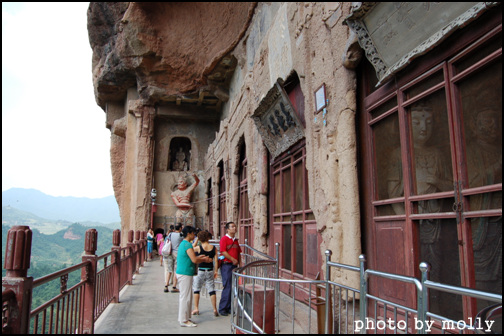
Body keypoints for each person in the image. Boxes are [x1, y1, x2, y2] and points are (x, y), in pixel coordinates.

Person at [176, 226, 212, 328]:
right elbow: (194, 260)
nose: (194, 235)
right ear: (189, 234)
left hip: (185, 272)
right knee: (185, 297)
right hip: (185, 272)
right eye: (193, 233)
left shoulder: (185, 244)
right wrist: (204, 260)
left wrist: (201, 257)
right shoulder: (187, 244)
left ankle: (186, 317)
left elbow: (193, 257)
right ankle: (183, 319)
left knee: (187, 296)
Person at [192, 230, 219, 316]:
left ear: (200, 239)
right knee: (211, 289)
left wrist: (196, 240)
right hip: (210, 270)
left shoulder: (199, 248)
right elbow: (216, 260)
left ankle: (196, 308)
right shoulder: (214, 248)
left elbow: (191, 248)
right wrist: (216, 271)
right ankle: (214, 309)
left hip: (201, 270)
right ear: (208, 237)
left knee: (197, 288)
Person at [218, 222, 241, 316]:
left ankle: (229, 307)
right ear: (227, 229)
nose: (234, 228)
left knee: (233, 287)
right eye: (232, 227)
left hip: (234, 266)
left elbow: (239, 253)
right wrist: (232, 259)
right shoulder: (224, 239)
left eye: (235, 226)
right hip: (227, 265)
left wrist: (240, 265)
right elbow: (223, 251)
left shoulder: (236, 240)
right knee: (227, 286)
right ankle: (223, 308)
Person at [167, 224, 183, 292]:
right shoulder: (181, 235)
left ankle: (166, 285)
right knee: (176, 270)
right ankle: (174, 286)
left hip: (170, 252)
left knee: (169, 269)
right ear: (179, 228)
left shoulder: (170, 234)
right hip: (177, 252)